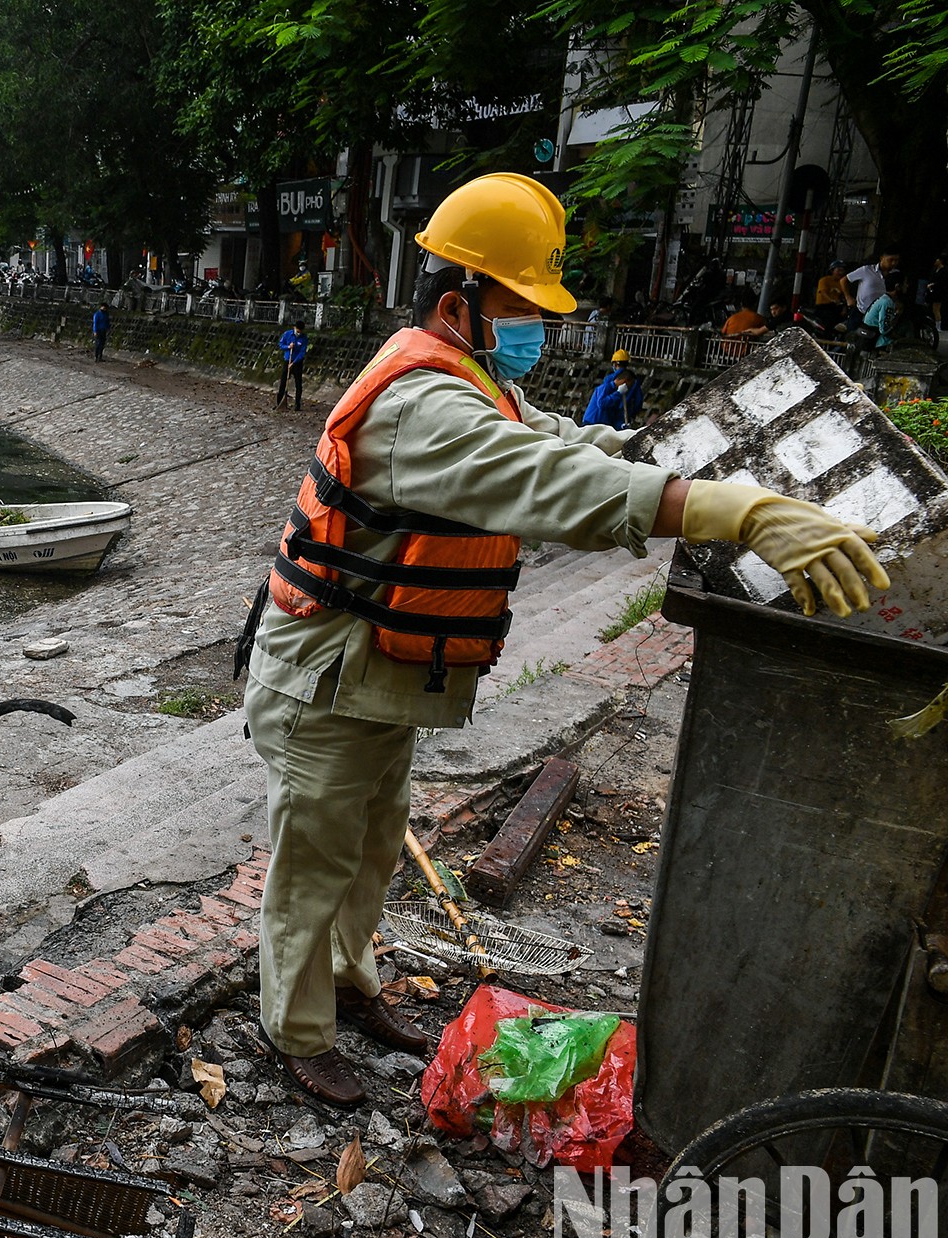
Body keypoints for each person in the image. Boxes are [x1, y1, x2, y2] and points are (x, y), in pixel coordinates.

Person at [242, 171, 887, 1108]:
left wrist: (684, 458)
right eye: (523, 303)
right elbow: (548, 487)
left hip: (378, 675)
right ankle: (296, 1033)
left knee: (372, 844)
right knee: (313, 862)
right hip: (326, 681)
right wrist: (728, 512)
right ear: (463, 300)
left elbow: (565, 448)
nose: (539, 325)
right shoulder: (425, 406)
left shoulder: (465, 373)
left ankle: (350, 987)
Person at [581, 349, 644, 428]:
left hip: (604, 422)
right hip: (598, 421)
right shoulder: (607, 386)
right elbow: (602, 403)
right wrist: (618, 393)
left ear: (614, 364)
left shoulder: (610, 380)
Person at [846, 252, 897, 321]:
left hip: (880, 314)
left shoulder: (896, 274)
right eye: (891, 260)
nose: (894, 263)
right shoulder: (866, 270)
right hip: (861, 310)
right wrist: (848, 297)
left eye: (896, 260)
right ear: (882, 258)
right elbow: (844, 280)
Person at [276, 322, 307, 410]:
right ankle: (279, 403)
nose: (299, 333)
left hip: (297, 363)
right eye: (297, 331)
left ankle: (297, 405)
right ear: (294, 328)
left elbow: (302, 352)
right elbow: (281, 345)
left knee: (298, 384)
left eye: (300, 331)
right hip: (287, 360)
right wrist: (288, 347)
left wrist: (294, 363)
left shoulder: (304, 338)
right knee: (283, 382)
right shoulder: (287, 334)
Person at [814, 261, 850, 330]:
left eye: (842, 270)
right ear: (832, 270)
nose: (841, 273)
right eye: (838, 270)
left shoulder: (842, 283)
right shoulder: (824, 280)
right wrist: (832, 300)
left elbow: (844, 296)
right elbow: (823, 292)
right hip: (823, 306)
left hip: (835, 307)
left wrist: (844, 309)